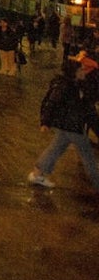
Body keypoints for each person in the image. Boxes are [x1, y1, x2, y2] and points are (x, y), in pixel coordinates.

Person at [29, 52, 99, 191]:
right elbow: (51, 103)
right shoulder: (67, 87)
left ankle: (37, 174)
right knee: (88, 156)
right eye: (80, 70)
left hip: (67, 125)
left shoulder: (78, 85)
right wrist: (45, 122)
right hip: (73, 126)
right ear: (74, 72)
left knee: (55, 149)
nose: (83, 71)